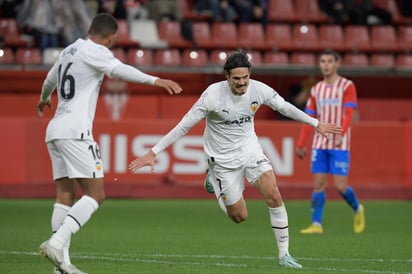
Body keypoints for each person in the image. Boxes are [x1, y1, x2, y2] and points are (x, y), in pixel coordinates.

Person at [128, 50, 342, 269]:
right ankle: (212, 178)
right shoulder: (212, 96)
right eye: (237, 79)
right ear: (226, 76)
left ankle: (284, 255)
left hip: (250, 151)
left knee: (274, 195)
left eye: (246, 78)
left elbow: (284, 107)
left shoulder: (258, 90)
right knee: (239, 217)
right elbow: (183, 126)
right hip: (221, 161)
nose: (242, 83)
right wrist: (153, 152)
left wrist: (315, 123)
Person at [37, 13, 182, 274]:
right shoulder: (96, 50)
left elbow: (49, 80)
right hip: (76, 132)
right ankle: (57, 243)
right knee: (96, 195)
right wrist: (155, 80)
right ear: (112, 38)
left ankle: (61, 266)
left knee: (65, 195)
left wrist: (43, 98)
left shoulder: (69, 50)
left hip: (55, 130)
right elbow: (119, 70)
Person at [296, 50, 365, 235]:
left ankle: (358, 208)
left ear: (337, 64)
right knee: (318, 184)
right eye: (322, 61)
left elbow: (350, 112)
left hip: (340, 143)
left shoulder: (347, 86)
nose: (325, 64)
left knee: (340, 186)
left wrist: (341, 133)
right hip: (320, 142)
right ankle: (316, 224)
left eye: (329, 61)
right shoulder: (316, 89)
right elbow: (309, 117)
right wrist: (301, 143)